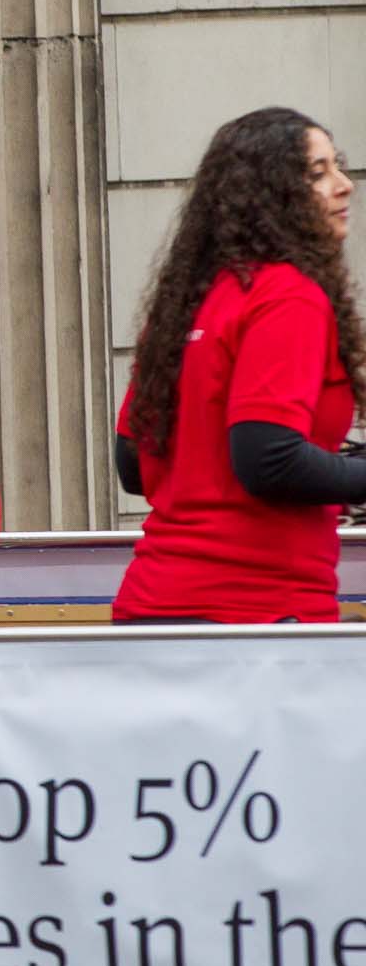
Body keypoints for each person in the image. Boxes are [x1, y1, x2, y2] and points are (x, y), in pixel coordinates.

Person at [113, 107, 366, 623]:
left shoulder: (188, 300)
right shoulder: (288, 294)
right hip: (256, 624)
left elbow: (133, 462)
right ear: (273, 197)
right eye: (317, 174)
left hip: (151, 611)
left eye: (337, 166)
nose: (344, 186)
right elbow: (268, 459)